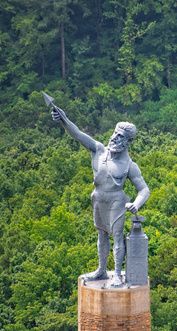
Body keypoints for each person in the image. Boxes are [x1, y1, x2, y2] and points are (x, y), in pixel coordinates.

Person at [51, 107, 150, 287]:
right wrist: (63, 120)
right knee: (101, 235)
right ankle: (101, 269)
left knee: (117, 236)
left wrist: (136, 203)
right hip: (98, 199)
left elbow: (144, 190)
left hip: (117, 201)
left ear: (128, 141)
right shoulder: (98, 150)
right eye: (115, 134)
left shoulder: (129, 165)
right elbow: (78, 135)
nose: (115, 138)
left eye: (120, 137)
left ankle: (118, 274)